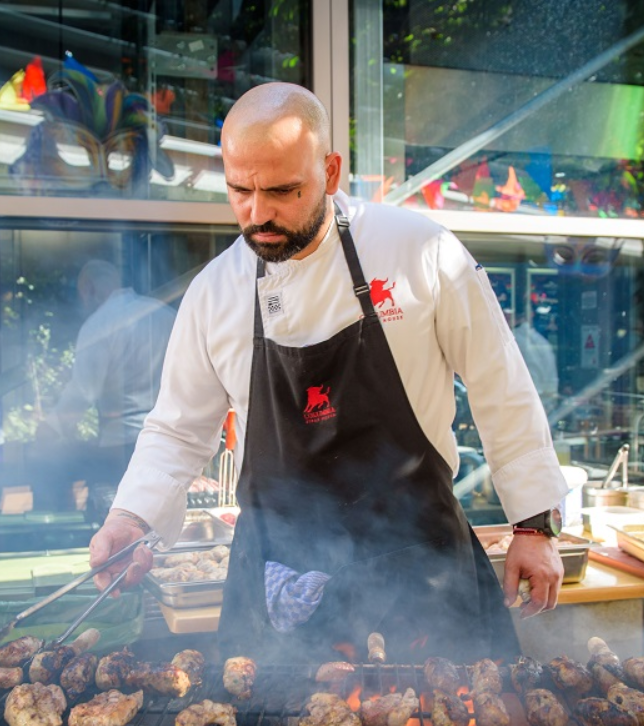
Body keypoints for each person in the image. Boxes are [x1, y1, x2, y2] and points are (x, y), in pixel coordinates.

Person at [89, 83, 568, 663]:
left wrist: (533, 526)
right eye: (240, 191)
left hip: (419, 568)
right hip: (281, 583)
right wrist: (130, 517)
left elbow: (501, 386)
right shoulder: (214, 294)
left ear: (330, 170)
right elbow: (176, 431)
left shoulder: (422, 254)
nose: (259, 213)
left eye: (283, 191)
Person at [38, 259, 176, 518]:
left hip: (120, 449)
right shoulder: (166, 315)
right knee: (159, 521)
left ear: (89, 290)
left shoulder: (98, 325)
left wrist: (52, 428)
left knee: (111, 519)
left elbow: (82, 392)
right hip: (166, 447)